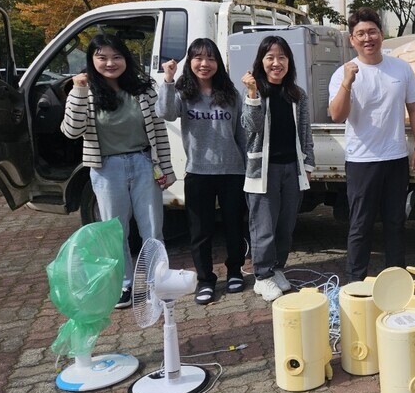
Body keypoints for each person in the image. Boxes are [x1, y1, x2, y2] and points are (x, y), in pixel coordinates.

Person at [60, 34, 175, 309]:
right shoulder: (84, 91)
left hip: (144, 162)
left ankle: (155, 282)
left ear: (126, 58)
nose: (110, 63)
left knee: (152, 229)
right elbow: (71, 131)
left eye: (116, 56)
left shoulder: (143, 89)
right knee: (114, 232)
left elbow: (160, 131)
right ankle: (124, 285)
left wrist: (165, 168)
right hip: (106, 168)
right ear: (92, 60)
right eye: (102, 57)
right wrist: (76, 91)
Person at [328, 7, 415, 283]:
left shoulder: (400, 68)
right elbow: (337, 114)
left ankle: (397, 279)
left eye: (372, 31)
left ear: (381, 35)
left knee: (396, 222)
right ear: (352, 40)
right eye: (360, 33)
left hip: (395, 158)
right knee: (360, 225)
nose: (367, 37)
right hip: (361, 161)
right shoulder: (342, 74)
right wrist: (348, 82)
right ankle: (354, 282)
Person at [157, 38, 247, 305]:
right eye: (198, 58)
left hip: (232, 171)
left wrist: (246, 166)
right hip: (198, 171)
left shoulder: (231, 95)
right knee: (200, 231)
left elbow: (241, 134)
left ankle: (234, 271)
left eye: (210, 58)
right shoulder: (184, 94)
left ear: (218, 63)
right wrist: (168, 79)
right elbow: (165, 112)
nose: (204, 64)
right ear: (190, 62)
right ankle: (206, 280)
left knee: (234, 226)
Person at [240, 36, 315, 302]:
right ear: (261, 61)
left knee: (286, 225)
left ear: (289, 62)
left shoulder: (297, 94)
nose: (276, 62)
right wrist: (252, 95)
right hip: (263, 171)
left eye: (282, 57)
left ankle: (277, 269)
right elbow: (251, 127)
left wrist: (307, 164)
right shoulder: (255, 91)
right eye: (270, 57)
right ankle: (261, 277)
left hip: (291, 169)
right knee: (264, 227)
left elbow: (305, 132)